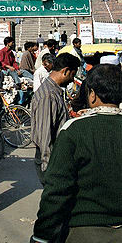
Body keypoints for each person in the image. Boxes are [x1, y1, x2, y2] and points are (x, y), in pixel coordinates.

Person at [31, 64, 122, 243]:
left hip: (85, 232)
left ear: (93, 94)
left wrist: (41, 236)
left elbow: (56, 192)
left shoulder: (74, 131)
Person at [31, 53, 80, 185]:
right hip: (50, 160)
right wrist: (49, 170)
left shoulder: (55, 91)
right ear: (65, 71)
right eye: (72, 75)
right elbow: (44, 136)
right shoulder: (48, 95)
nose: (72, 79)